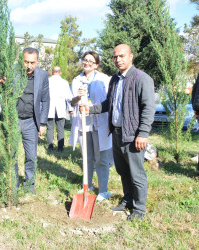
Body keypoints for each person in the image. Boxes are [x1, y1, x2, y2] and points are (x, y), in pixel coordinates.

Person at [82, 44, 155, 220]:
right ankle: (128, 200)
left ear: (131, 56)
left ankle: (139, 209)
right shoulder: (114, 80)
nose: (118, 59)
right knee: (123, 171)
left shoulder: (141, 79)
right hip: (116, 133)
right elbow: (109, 104)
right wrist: (90, 109)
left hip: (133, 136)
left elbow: (148, 108)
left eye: (122, 56)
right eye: (115, 57)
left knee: (136, 173)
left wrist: (143, 133)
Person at [70, 51, 112, 202]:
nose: (87, 63)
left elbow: (109, 101)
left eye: (91, 61)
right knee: (87, 157)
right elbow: (71, 102)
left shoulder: (104, 79)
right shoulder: (76, 80)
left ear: (96, 65)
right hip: (84, 124)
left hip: (100, 122)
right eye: (85, 60)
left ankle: (104, 190)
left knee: (101, 158)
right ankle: (87, 185)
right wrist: (78, 97)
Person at [15, 47, 50, 192]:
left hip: (31, 121)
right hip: (14, 120)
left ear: (37, 62)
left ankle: (29, 185)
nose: (29, 66)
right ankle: (14, 184)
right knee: (12, 155)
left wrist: (42, 123)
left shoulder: (42, 75)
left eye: (32, 63)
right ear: (21, 61)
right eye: (26, 62)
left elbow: (46, 100)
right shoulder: (13, 72)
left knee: (31, 156)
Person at [47, 66, 72, 152]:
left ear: (52, 72)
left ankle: (50, 147)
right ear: (60, 72)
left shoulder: (47, 81)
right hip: (60, 108)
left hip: (49, 108)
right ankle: (60, 148)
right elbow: (68, 97)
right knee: (60, 128)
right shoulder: (64, 82)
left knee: (50, 128)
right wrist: (70, 108)